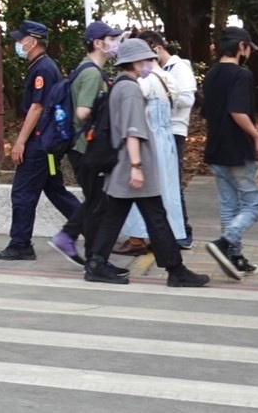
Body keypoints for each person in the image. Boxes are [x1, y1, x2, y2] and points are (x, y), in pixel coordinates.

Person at [82, 39, 210, 288]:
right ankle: (175, 270)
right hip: (133, 164)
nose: (149, 64)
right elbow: (132, 130)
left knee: (117, 217)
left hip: (122, 166)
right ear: (135, 62)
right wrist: (137, 167)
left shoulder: (119, 85)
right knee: (156, 217)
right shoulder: (130, 89)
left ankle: (96, 263)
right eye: (146, 59)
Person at [0, 20, 82, 260]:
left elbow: (37, 107)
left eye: (20, 39)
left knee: (23, 194)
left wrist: (20, 142)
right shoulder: (43, 66)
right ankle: (93, 226)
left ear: (32, 42)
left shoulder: (42, 69)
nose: (16, 44)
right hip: (49, 147)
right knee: (55, 190)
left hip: (39, 144)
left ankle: (20, 244)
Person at [46, 21, 118, 265]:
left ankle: (89, 253)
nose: (115, 43)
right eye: (112, 38)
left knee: (96, 202)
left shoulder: (85, 68)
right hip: (86, 149)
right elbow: (82, 112)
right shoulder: (91, 73)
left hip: (83, 149)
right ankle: (73, 241)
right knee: (97, 203)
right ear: (98, 43)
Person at [200, 25, 258, 280]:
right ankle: (225, 242)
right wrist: (257, 136)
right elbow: (238, 111)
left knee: (229, 206)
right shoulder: (241, 75)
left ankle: (234, 258)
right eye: (248, 48)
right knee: (254, 202)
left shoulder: (212, 74)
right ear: (242, 47)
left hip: (215, 147)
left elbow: (208, 111)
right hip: (237, 149)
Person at [114, 50, 186, 257]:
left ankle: (137, 238)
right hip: (166, 140)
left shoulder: (144, 83)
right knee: (167, 190)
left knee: (143, 189)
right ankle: (165, 237)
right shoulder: (167, 78)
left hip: (149, 139)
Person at [139, 30, 197, 246]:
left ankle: (183, 233)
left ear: (157, 46)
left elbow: (188, 99)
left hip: (174, 130)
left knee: (173, 182)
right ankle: (165, 232)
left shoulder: (179, 67)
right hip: (155, 130)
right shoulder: (153, 69)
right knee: (160, 182)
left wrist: (164, 97)